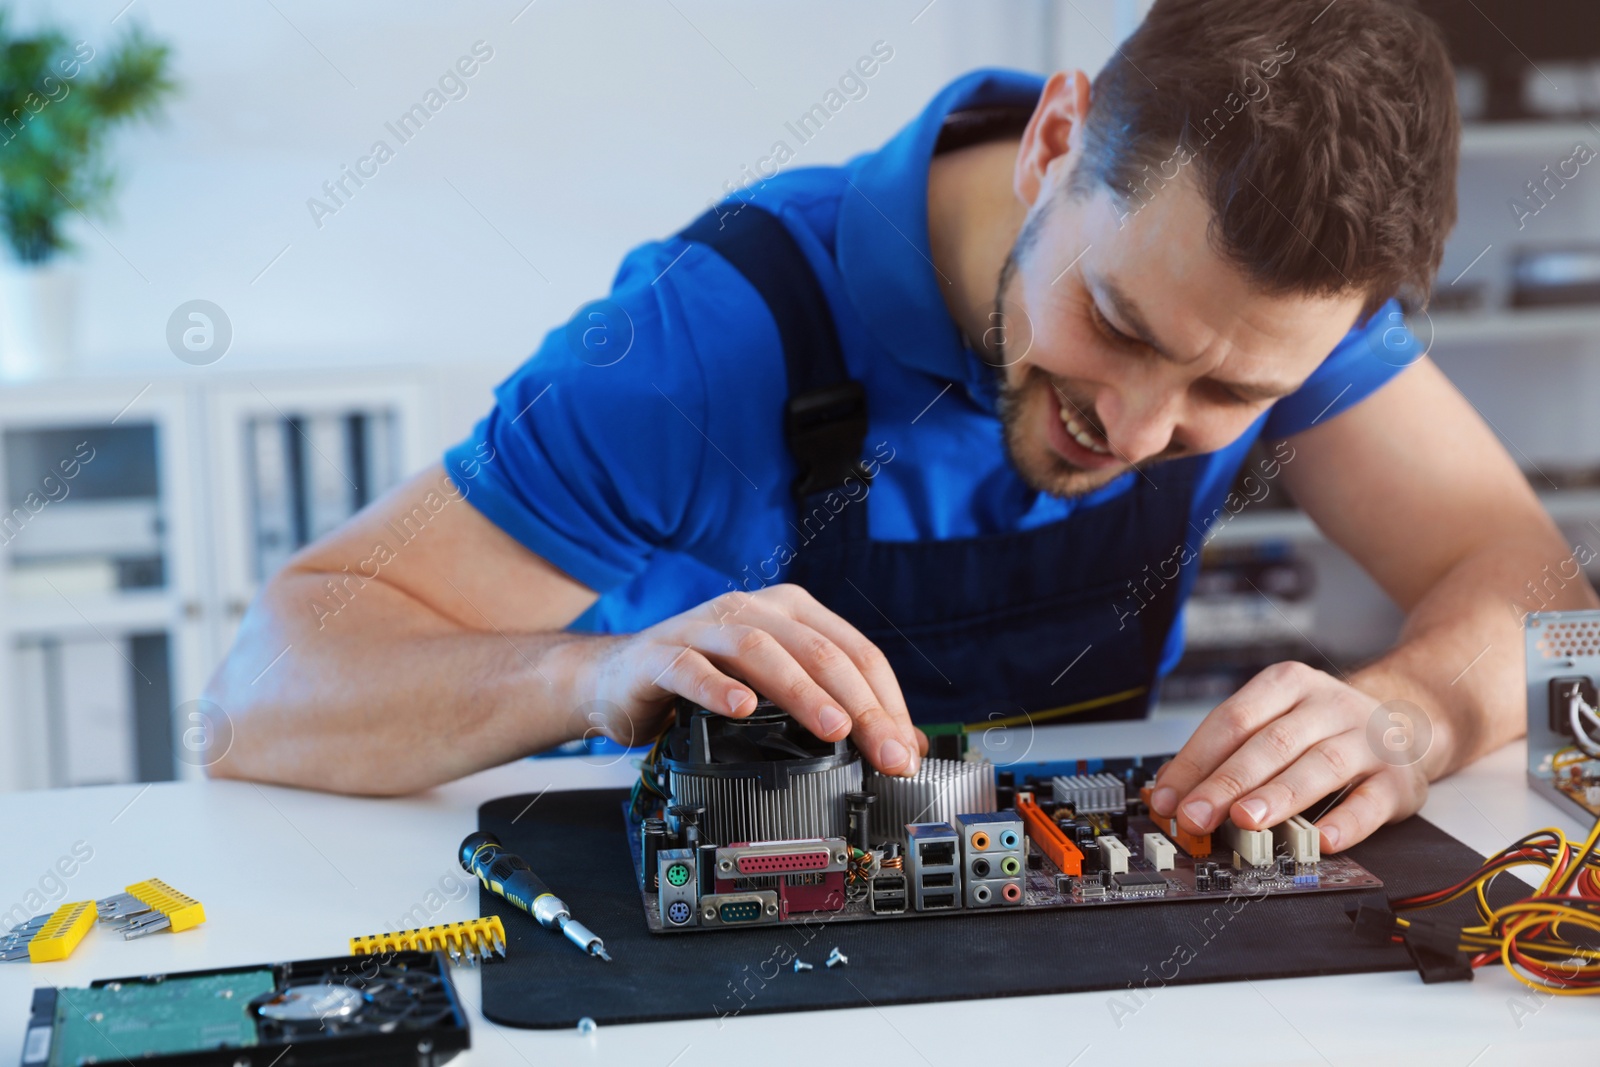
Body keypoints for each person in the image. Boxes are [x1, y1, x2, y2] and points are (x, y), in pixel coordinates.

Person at [207, 0, 1596, 854]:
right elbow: (261, 688)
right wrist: (595, 671)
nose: (1137, 424)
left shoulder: (1277, 307)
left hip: (1057, 916)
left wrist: (1414, 717)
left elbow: (1541, 598)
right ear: (1060, 143)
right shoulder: (705, 339)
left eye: (1233, 398)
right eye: (1117, 323)